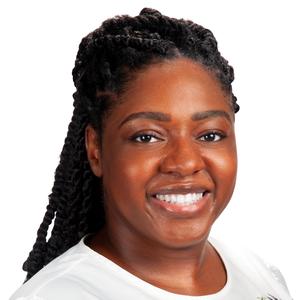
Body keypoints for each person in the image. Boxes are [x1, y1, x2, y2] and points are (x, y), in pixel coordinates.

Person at [10, 8, 292, 300]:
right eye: (146, 137)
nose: (185, 163)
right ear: (96, 150)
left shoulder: (259, 274)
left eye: (210, 135)